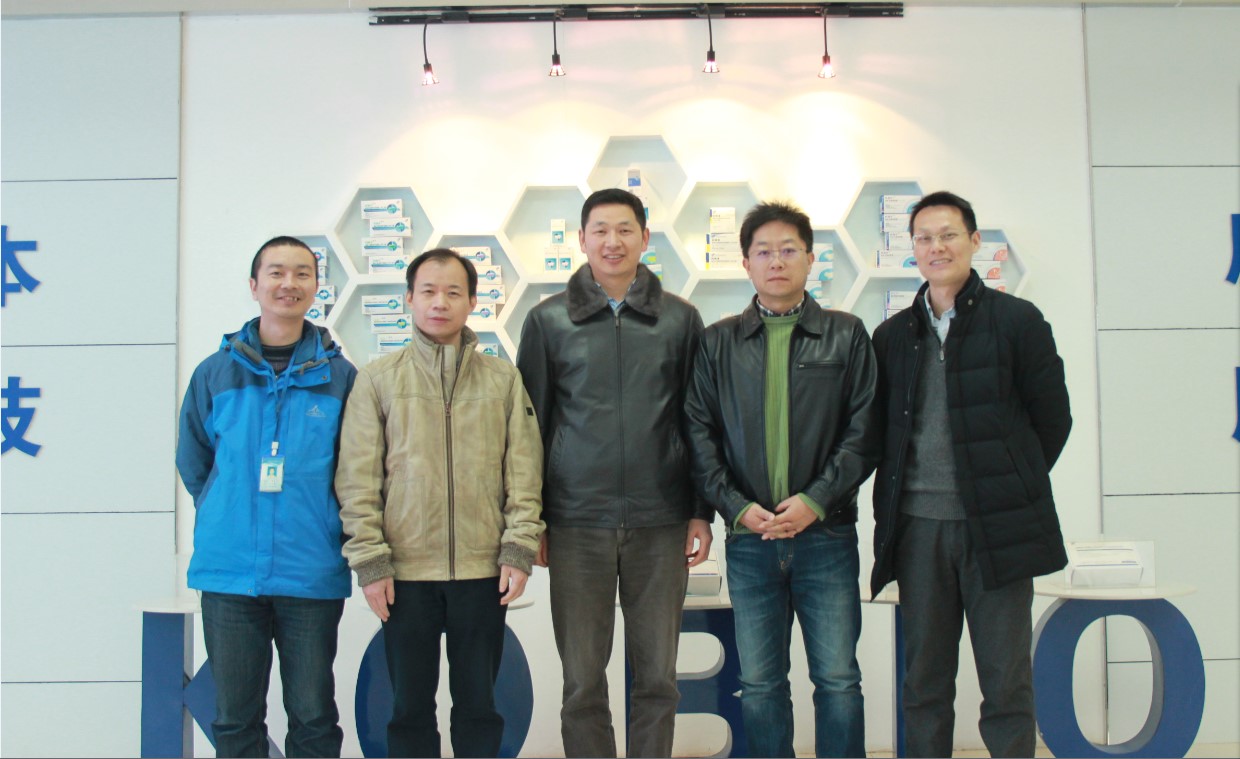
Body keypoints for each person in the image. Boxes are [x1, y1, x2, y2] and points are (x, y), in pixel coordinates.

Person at [870, 191, 1072, 758]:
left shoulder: (1017, 321)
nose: (937, 247)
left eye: (949, 235)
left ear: (974, 241)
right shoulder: (893, 336)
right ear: (913, 249)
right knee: (924, 682)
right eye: (924, 238)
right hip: (918, 530)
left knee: (1006, 683)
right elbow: (881, 431)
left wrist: (1008, 483)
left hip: (998, 530)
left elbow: (1053, 418)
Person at [516, 187, 712, 758]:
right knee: (582, 682)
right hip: (576, 522)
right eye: (600, 230)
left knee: (658, 679)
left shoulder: (680, 319)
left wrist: (700, 510)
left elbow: (698, 421)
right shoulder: (548, 320)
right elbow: (530, 428)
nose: (612, 241)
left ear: (645, 238)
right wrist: (534, 520)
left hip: (660, 519)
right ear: (581, 240)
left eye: (625, 229)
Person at [685, 201, 879, 758]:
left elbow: (864, 431)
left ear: (810, 259)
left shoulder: (846, 334)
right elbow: (699, 434)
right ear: (745, 262)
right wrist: (736, 507)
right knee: (761, 684)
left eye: (788, 249)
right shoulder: (718, 342)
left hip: (827, 535)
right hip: (750, 540)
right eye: (764, 251)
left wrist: (816, 500)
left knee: (838, 679)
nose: (776, 261)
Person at [335, 248, 545, 759]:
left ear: (473, 302)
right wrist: (370, 562)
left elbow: (524, 472)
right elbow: (358, 480)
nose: (440, 302)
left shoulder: (502, 380)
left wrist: (518, 548)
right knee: (408, 710)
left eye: (454, 292)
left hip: (482, 571)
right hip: (404, 574)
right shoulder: (378, 379)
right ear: (409, 298)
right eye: (428, 291)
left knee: (479, 708)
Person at [176, 235, 356, 758]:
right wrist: (225, 508)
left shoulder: (341, 378)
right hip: (230, 572)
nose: (288, 284)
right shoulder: (214, 373)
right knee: (235, 719)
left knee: (314, 717)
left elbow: (356, 470)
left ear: (316, 288)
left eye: (302, 273)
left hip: (310, 569)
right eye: (276, 272)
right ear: (254, 286)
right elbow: (194, 459)